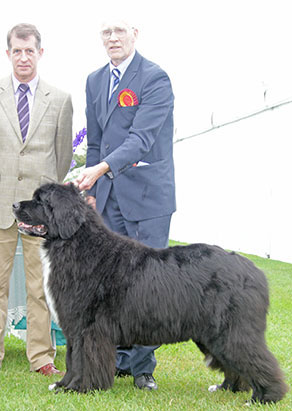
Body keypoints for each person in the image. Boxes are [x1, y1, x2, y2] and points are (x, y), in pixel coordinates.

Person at [76, 19, 176, 390]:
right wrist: (92, 185)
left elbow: (142, 138)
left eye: (120, 30)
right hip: (109, 197)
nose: (113, 38)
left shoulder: (155, 78)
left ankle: (143, 366)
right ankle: (117, 358)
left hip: (148, 196)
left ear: (136, 33)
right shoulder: (94, 80)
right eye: (106, 32)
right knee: (111, 284)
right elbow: (96, 141)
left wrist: (101, 168)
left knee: (148, 283)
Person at [0, 23, 73, 375]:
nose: (24, 57)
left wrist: (45, 206)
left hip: (38, 214)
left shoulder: (59, 100)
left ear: (40, 53)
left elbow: (61, 161)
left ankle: (42, 357)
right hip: (0, 205)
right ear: (8, 52)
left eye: (30, 50)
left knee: (39, 288)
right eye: (17, 50)